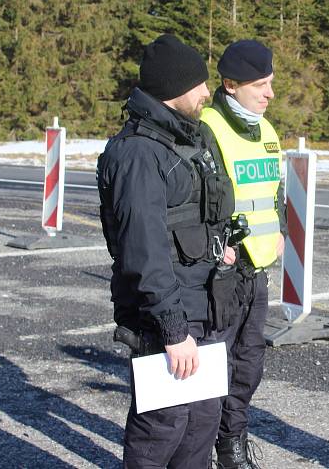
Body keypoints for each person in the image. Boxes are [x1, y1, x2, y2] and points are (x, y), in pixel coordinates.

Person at [97, 34, 238, 468]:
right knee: (163, 425)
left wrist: (220, 248)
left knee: (201, 422)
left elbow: (193, 217)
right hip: (167, 316)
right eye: (198, 84)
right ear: (175, 89)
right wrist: (173, 330)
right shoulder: (138, 152)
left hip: (203, 303)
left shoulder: (186, 139)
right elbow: (144, 249)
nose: (204, 93)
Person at [198, 39, 287, 469]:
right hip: (221, 274)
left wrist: (281, 232)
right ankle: (200, 451)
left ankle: (231, 449)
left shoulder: (267, 130)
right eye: (262, 85)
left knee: (248, 367)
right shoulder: (207, 127)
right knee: (213, 370)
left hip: (257, 273)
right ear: (231, 85)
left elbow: (274, 194)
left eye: (271, 83)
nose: (270, 93)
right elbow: (194, 201)